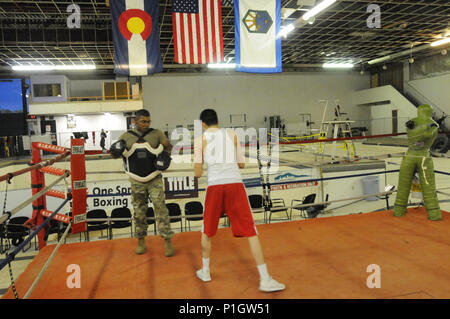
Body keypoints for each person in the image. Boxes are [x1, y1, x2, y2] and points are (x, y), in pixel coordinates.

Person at [193, 109, 285, 292]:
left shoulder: (199, 141)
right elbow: (241, 164)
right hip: (235, 184)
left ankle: (205, 271)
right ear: (217, 121)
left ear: (203, 124)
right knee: (251, 231)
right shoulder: (232, 134)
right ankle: (265, 279)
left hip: (214, 186)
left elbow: (197, 173)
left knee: (207, 231)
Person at [111, 109, 175, 256]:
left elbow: (168, 146)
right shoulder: (126, 137)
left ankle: (167, 240)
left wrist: (166, 155)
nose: (146, 124)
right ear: (135, 121)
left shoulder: (157, 133)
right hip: (136, 180)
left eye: (148, 121)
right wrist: (115, 152)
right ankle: (141, 240)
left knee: (160, 208)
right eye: (143, 121)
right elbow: (115, 155)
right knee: (139, 212)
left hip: (154, 178)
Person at [392, 104, 441, 220]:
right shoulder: (433, 125)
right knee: (429, 187)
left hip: (409, 155)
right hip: (424, 157)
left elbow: (411, 132)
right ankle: (434, 214)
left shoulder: (411, 123)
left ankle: (399, 210)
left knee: (403, 185)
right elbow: (429, 135)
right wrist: (427, 131)